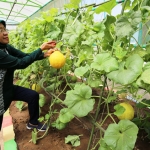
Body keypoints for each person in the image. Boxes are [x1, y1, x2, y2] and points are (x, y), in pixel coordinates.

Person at [0, 20, 56, 132]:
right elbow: (21, 63)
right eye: (0, 31)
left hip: (8, 89)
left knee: (32, 95)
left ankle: (33, 123)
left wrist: (44, 54)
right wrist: (40, 48)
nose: (5, 33)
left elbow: (25, 56)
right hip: (0, 96)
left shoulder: (6, 48)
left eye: (4, 29)